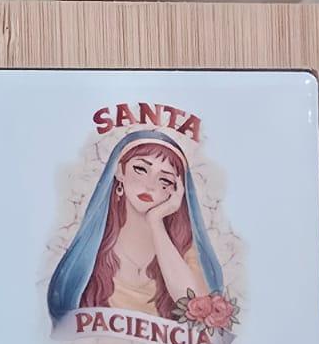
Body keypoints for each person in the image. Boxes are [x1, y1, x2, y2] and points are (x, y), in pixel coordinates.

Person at [48, 131, 224, 324]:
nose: (150, 186)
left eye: (165, 180)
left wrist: (155, 221)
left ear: (176, 191)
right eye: (141, 169)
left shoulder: (184, 247)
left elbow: (198, 310)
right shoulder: (95, 243)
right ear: (120, 170)